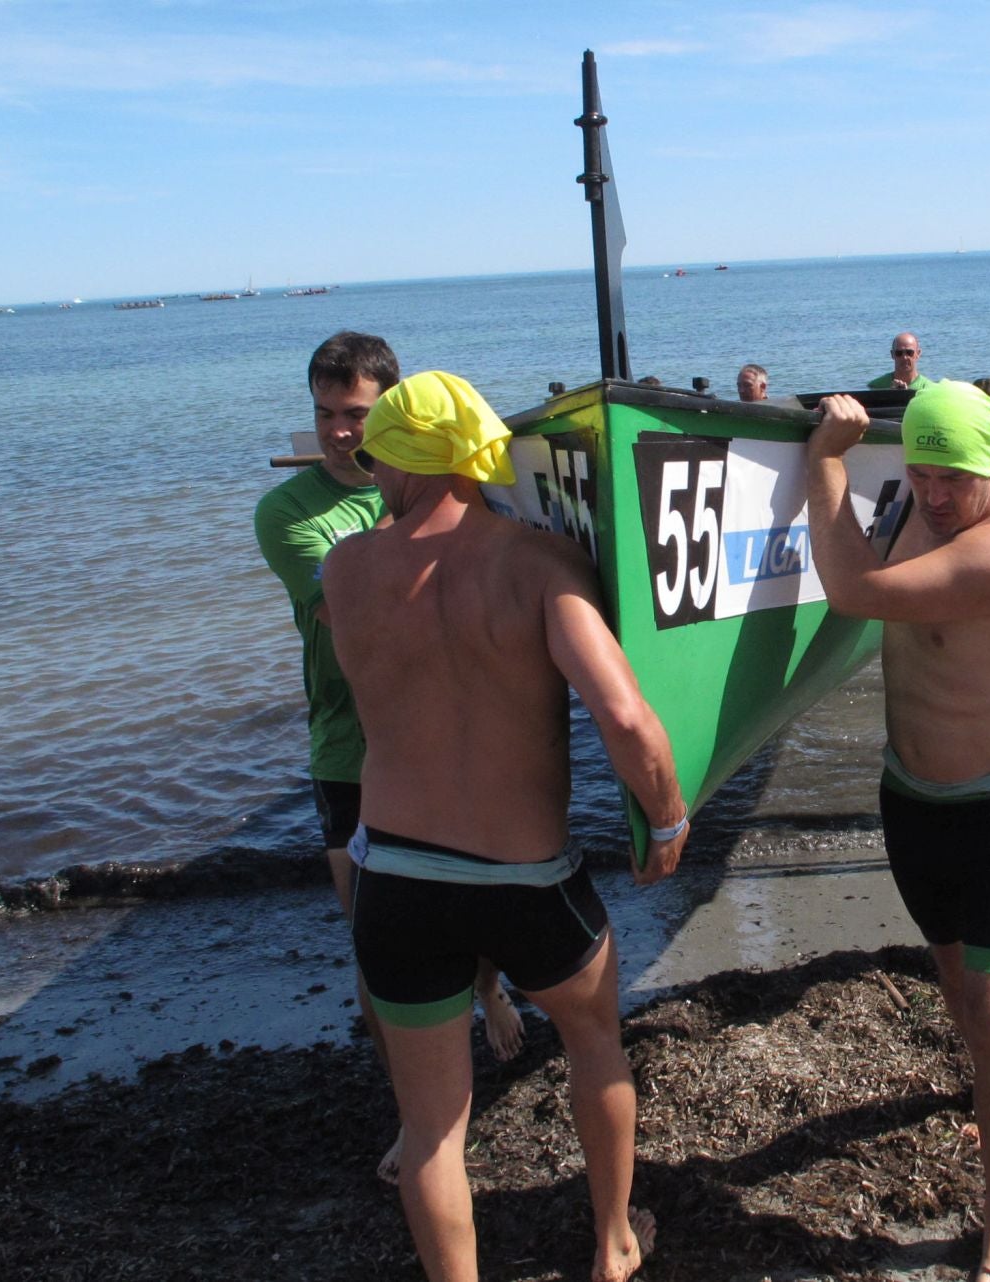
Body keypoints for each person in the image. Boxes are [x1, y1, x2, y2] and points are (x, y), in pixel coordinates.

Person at [322, 370, 687, 1282]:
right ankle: (612, 1242)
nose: (371, 476)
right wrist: (666, 814)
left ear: (401, 461)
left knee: (433, 1130)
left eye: (377, 458)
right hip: (525, 881)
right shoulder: (537, 563)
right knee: (595, 1041)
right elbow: (627, 717)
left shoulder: (346, 569)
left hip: (397, 879)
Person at [805, 380, 990, 1282]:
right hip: (913, 798)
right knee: (958, 984)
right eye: (920, 473)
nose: (935, 493)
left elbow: (850, 589)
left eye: (953, 476)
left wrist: (823, 461)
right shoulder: (914, 510)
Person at [254, 333, 522, 1187]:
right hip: (349, 748)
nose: (340, 432)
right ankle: (422, 1120)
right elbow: (363, 610)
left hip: (445, 732)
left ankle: (489, 990)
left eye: (359, 415)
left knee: (473, 908)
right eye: (327, 415)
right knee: (379, 954)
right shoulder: (289, 512)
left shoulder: (434, 483)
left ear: (392, 413)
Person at [867, 331, 934, 391]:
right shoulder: (875, 386)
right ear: (892, 354)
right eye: (899, 353)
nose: (904, 357)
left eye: (909, 352)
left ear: (918, 354)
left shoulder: (928, 388)